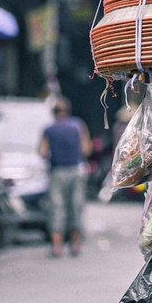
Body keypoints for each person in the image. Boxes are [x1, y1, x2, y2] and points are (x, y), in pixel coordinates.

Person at [39, 97, 92, 257]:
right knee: (76, 206)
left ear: (54, 113)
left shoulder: (48, 129)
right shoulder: (78, 125)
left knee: (57, 208)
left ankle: (57, 246)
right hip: (76, 170)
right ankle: (75, 245)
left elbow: (42, 152)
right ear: (68, 111)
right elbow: (86, 149)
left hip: (56, 172)